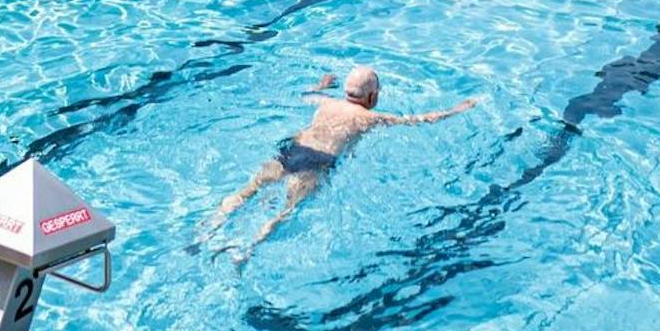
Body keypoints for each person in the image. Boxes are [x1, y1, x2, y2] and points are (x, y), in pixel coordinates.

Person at [198, 66, 477, 252]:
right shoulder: (368, 116)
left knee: (247, 190)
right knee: (285, 211)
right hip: (317, 162)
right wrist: (456, 110)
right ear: (373, 96)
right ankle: (248, 248)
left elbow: (308, 95)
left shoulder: (327, 103)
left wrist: (322, 85)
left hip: (291, 151)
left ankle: (209, 228)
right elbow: (417, 121)